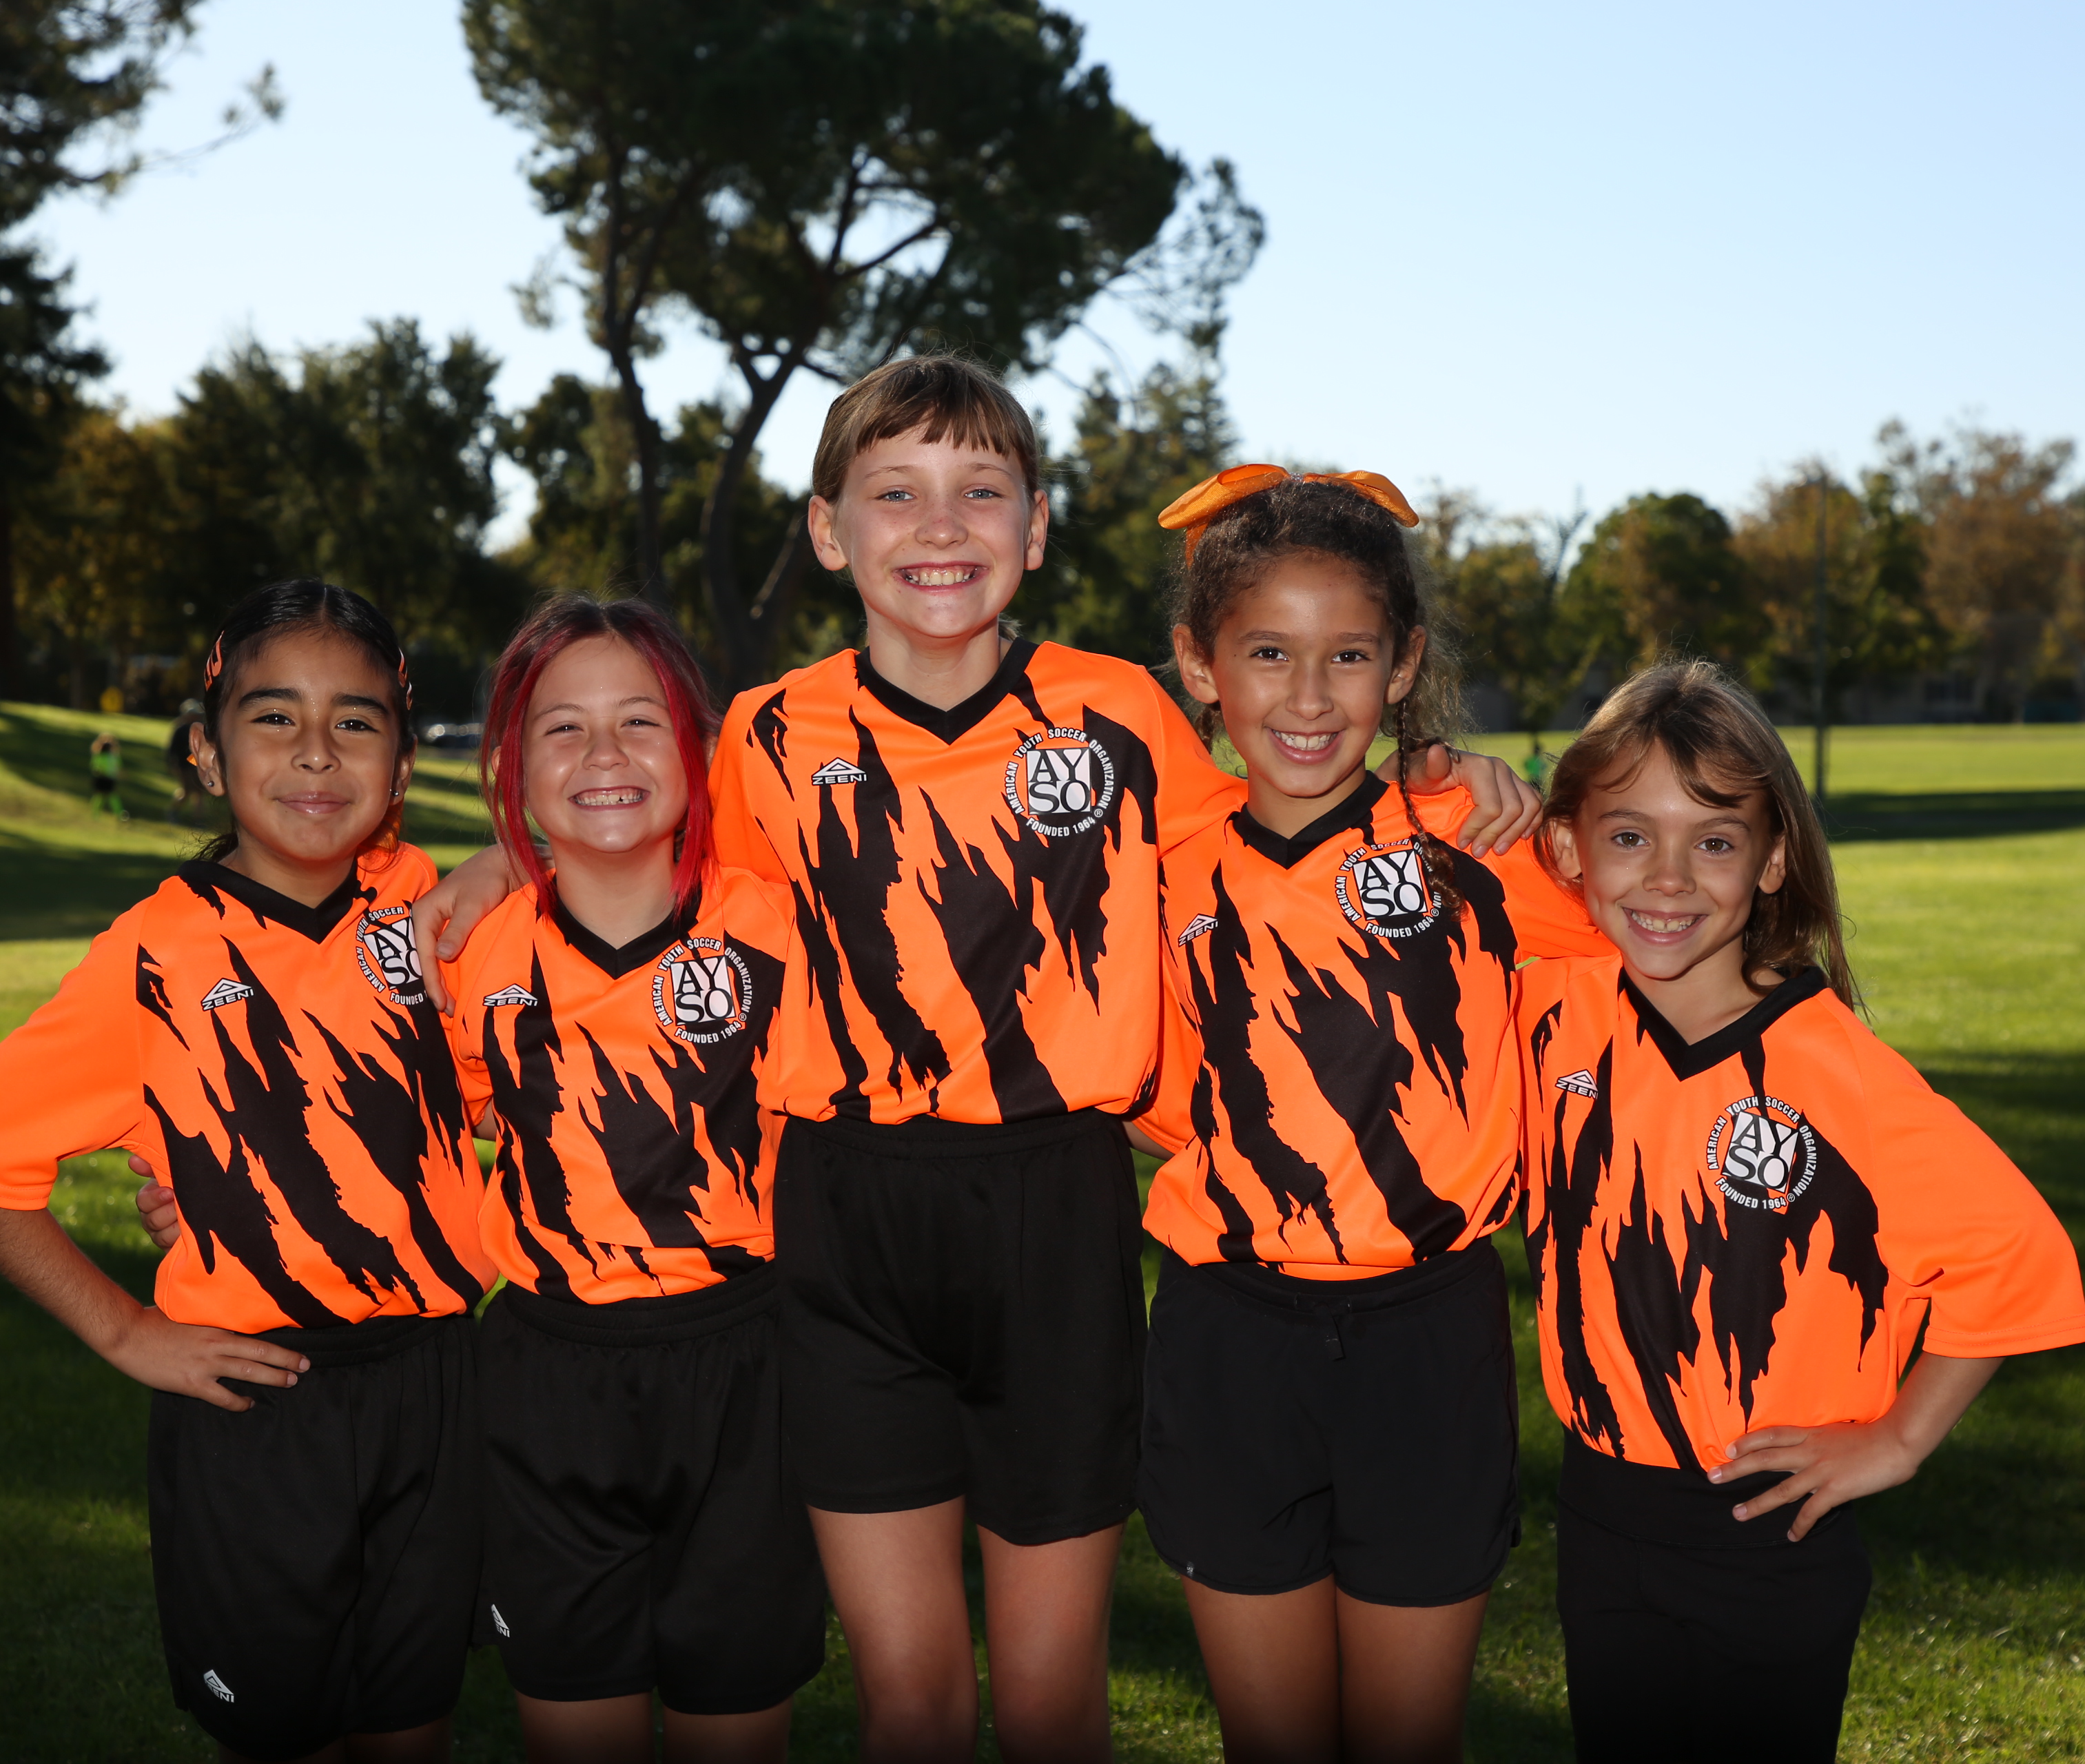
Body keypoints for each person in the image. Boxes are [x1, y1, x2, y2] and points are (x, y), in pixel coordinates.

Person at [411, 358, 1543, 1762]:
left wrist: (1452, 783)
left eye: (981, 490)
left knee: (1053, 1700)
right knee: (913, 1696)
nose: (940, 526)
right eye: (896, 492)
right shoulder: (769, 734)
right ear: (829, 531)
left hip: (1054, 1208)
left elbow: (1289, 813)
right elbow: (659, 862)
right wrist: (497, 863)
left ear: (1038, 525)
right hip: (845, 1221)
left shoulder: (1120, 712)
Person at [0, 580, 493, 1764]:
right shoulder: (153, 957)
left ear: (400, 757)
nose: (317, 753)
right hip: (255, 1404)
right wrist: (126, 1331)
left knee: (410, 1725)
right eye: (275, 718)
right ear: (208, 754)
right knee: (284, 1736)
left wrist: (507, 867)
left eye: (356, 722)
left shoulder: (428, 905)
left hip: (438, 1382)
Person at [1519, 659, 2085, 1764]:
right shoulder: (1557, 1000)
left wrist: (1901, 1440)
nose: (1668, 878)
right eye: (1629, 836)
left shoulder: (1839, 1075)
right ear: (1571, 849)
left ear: (1773, 858)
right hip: (1600, 1515)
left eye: (1714, 843)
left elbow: (2015, 1253)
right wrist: (1464, 778)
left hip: (1767, 1535)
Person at [1128, 466, 1607, 1764]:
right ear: (1198, 665)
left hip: (1427, 1334)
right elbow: (1139, 1083)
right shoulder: (1158, 868)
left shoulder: (1478, 842)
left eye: (1348, 655)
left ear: (1403, 667)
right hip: (1229, 1336)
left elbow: (1650, 960)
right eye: (1267, 653)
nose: (1308, 695)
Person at [437, 593, 823, 1762]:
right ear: (513, 766)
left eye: (640, 721)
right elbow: (425, 1132)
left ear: (699, 747)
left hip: (749, 1373)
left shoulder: (780, 930)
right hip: (545, 1383)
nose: (604, 755)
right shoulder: (470, 952)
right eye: (562, 728)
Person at [167, 699, 205, 825]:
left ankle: (197, 819)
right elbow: (173, 750)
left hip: (196, 765)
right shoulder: (181, 730)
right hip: (184, 765)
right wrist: (173, 765)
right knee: (187, 791)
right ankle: (174, 812)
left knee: (199, 792)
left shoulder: (199, 729)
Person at [90, 730, 127, 819]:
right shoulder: (106, 757)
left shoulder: (108, 756)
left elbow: (118, 766)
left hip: (106, 778)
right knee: (104, 796)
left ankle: (117, 813)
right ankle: (97, 814)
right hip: (105, 778)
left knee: (107, 796)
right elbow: (96, 767)